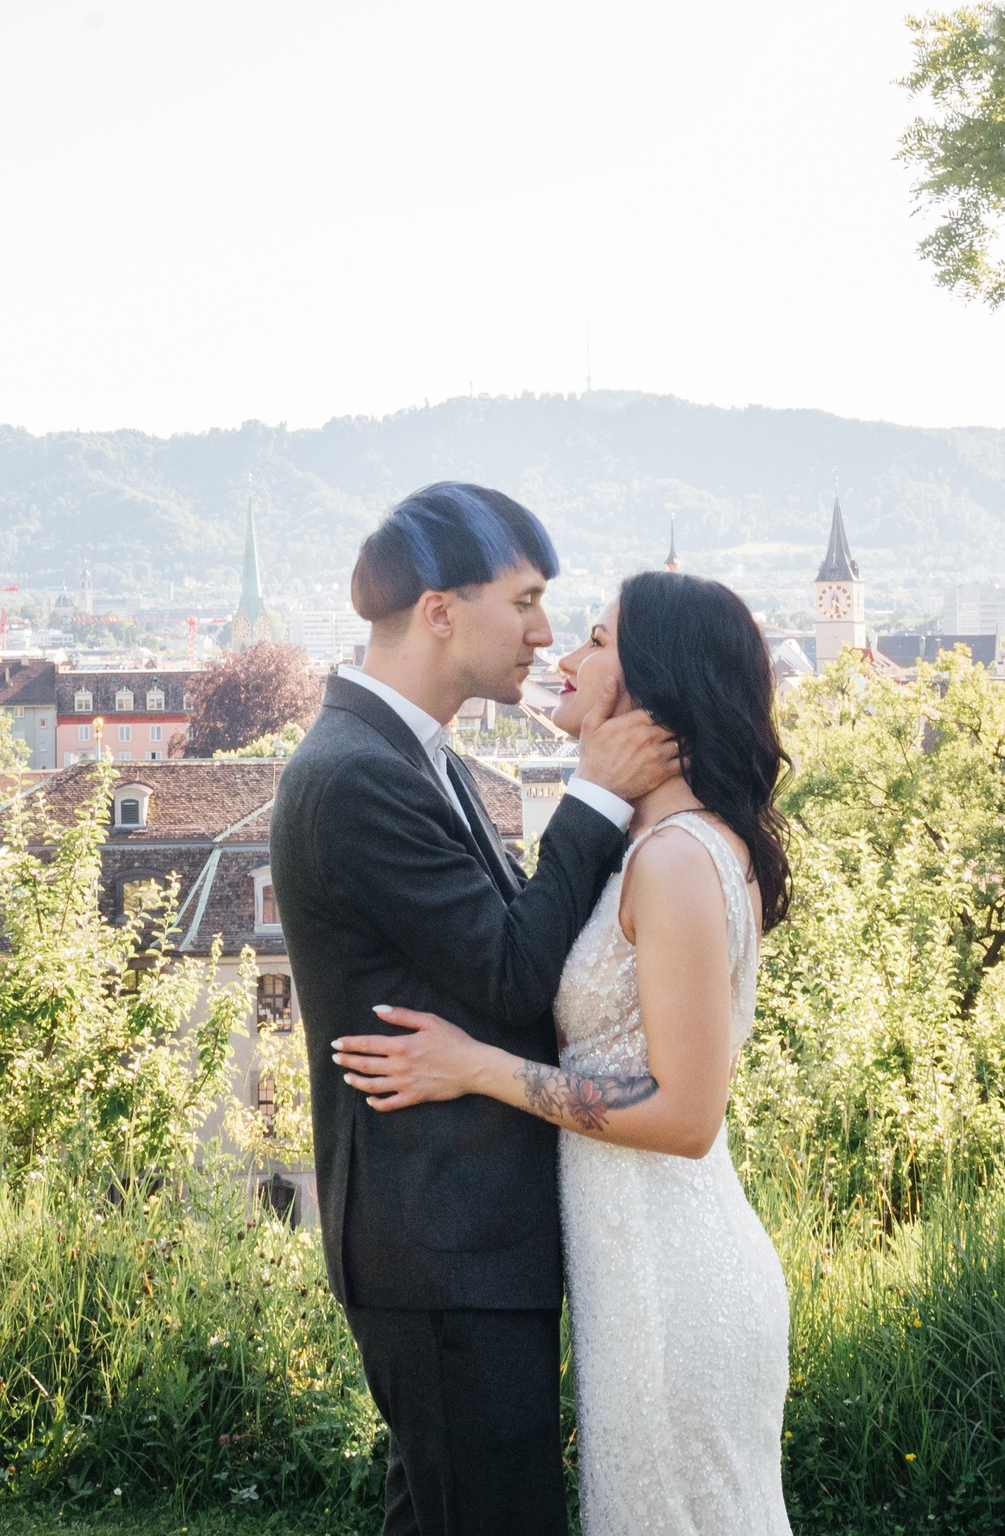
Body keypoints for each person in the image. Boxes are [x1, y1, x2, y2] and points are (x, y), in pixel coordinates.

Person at [332, 567, 796, 1536]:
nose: (564, 654)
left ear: (651, 678)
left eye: (594, 635)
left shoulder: (674, 858)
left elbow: (683, 1112)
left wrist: (476, 1066)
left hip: (676, 1277)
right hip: (633, 1271)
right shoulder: (650, 841)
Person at [270, 483, 680, 1536]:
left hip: (463, 1236)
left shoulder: (421, 754)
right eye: (528, 600)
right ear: (441, 609)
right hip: (439, 1237)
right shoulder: (355, 773)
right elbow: (508, 972)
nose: (545, 634)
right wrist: (592, 794)